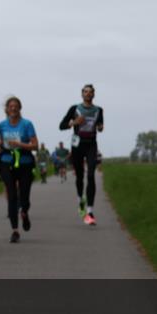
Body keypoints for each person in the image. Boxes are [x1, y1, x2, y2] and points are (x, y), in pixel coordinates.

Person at [59, 84, 104, 225]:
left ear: (93, 95)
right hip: (77, 144)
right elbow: (61, 126)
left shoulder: (99, 110)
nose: (88, 94)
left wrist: (100, 127)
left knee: (90, 175)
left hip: (91, 144)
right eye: (85, 92)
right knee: (79, 176)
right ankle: (81, 201)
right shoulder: (74, 109)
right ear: (82, 94)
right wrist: (74, 122)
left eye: (90, 92)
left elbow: (100, 126)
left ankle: (89, 211)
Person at [0, 97, 39, 243]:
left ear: (20, 108)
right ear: (7, 109)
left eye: (16, 106)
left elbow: (35, 145)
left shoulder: (27, 124)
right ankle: (15, 230)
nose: (13, 108)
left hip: (25, 163)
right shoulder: (2, 125)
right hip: (7, 162)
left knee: (24, 197)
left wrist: (20, 144)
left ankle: (24, 212)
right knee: (12, 196)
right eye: (11, 106)